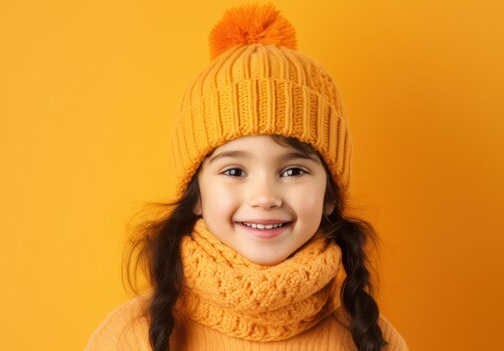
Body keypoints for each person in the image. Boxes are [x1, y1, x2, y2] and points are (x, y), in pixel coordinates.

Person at [84, 2, 409, 350]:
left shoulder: (370, 337)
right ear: (196, 194)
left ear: (330, 194)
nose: (264, 196)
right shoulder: (130, 337)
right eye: (235, 170)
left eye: (293, 170)